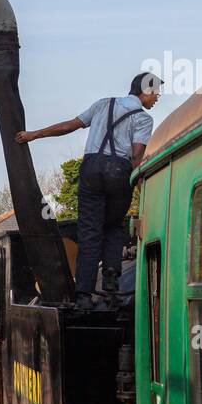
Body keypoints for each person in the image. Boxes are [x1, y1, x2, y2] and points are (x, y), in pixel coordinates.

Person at [16, 72, 161, 312]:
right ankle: (111, 288)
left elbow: (70, 126)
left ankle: (83, 294)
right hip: (119, 170)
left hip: (92, 169)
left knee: (89, 231)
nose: (156, 98)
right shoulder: (144, 119)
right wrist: (139, 185)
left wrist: (34, 135)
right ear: (145, 91)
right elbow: (136, 156)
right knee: (113, 227)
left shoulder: (104, 104)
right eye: (155, 93)